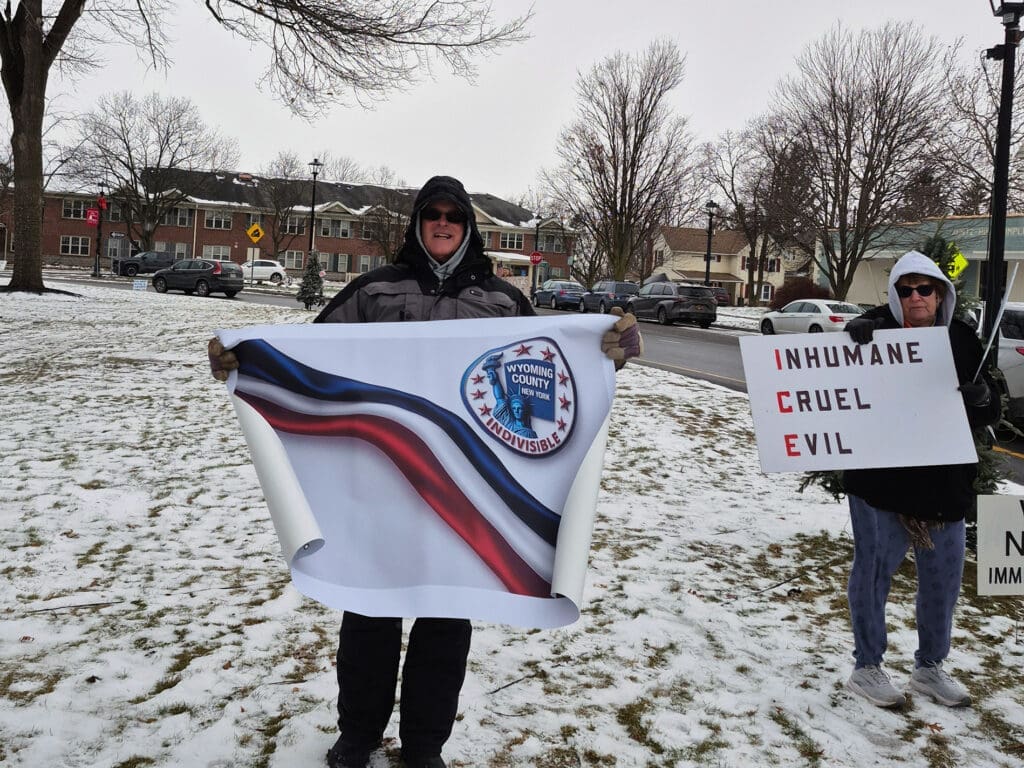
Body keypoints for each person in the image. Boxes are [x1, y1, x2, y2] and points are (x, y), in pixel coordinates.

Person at [208, 175, 642, 767]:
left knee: (445, 622)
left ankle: (422, 747)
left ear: (467, 227)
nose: (443, 223)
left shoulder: (503, 301)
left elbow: (553, 361)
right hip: (380, 481)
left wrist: (608, 350)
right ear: (417, 222)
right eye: (433, 213)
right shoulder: (374, 289)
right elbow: (308, 362)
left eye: (455, 217)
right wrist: (243, 361)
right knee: (368, 615)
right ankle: (357, 736)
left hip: (465, 488)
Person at [841, 250, 999, 709]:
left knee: (943, 581)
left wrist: (982, 398)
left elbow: (988, 414)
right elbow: (833, 379)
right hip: (881, 485)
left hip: (944, 483)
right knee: (872, 574)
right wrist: (854, 334)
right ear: (894, 294)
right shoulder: (872, 334)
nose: (915, 297)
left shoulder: (964, 341)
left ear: (940, 294)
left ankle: (930, 668)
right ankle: (867, 666)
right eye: (905, 289)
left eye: (924, 288)